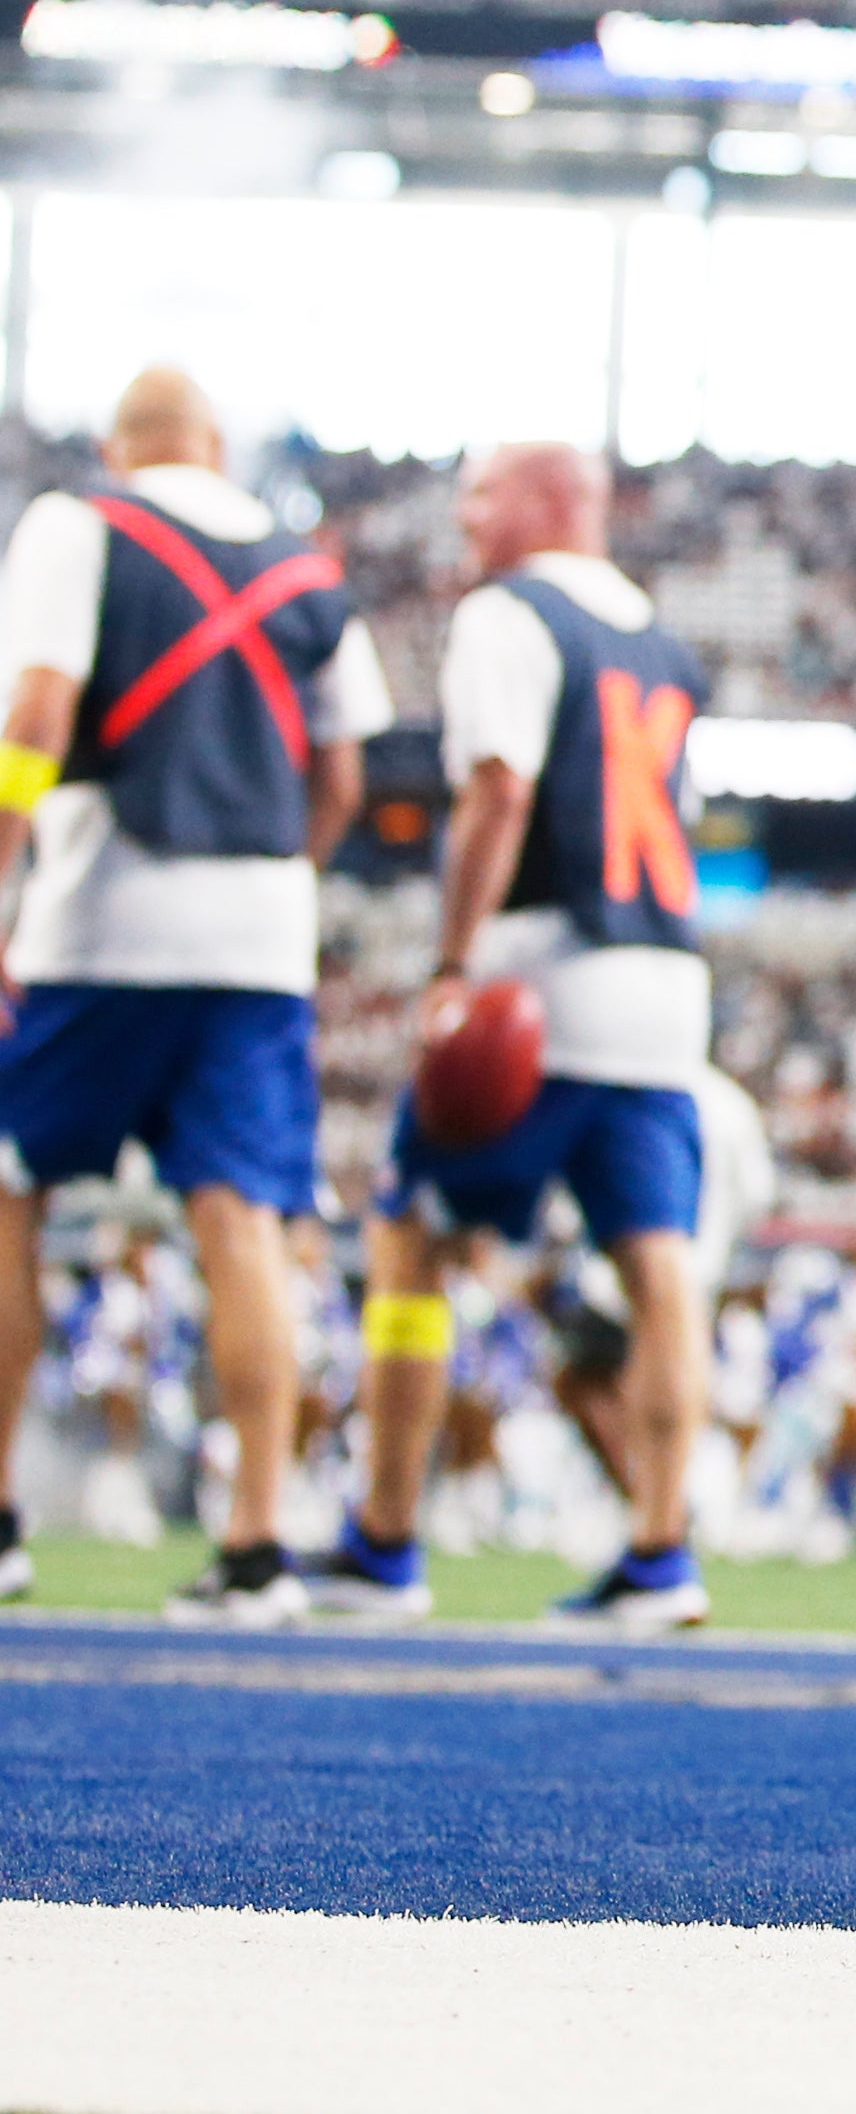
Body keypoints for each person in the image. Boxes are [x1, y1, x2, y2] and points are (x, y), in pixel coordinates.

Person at [305, 441, 717, 1630]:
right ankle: (660, 1546)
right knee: (660, 1266)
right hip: (660, 980)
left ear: (545, 503)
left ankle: (384, 1538)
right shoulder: (661, 638)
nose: (467, 517)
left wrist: (450, 962)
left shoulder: (510, 612)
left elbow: (498, 785)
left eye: (483, 493)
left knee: (411, 1233)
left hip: (543, 976)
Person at [0, 367, 390, 1617]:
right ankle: (258, 1539)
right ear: (214, 449)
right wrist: (284, 876)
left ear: (124, 445)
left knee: (12, 1190)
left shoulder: (81, 522)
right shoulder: (311, 571)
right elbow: (342, 775)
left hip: (98, 916)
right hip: (257, 937)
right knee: (244, 1227)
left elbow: (40, 712)